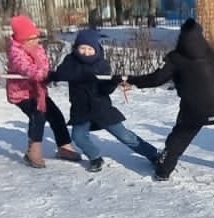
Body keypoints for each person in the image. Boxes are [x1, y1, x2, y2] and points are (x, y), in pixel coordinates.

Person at [121, 19, 214, 181]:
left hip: (194, 110)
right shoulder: (209, 54)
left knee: (178, 139)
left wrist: (132, 80)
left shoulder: (175, 58)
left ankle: (163, 171)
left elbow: (157, 79)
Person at [51, 28, 162, 172]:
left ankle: (153, 154)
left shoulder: (101, 64)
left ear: (96, 49)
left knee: (125, 135)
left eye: (89, 49)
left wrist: (112, 82)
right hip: (81, 110)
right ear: (76, 48)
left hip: (101, 109)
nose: (85, 52)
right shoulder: (70, 61)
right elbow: (61, 73)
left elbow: (105, 90)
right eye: (82, 48)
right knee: (78, 136)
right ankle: (95, 157)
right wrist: (82, 74)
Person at [6, 14, 82, 167]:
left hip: (38, 92)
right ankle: (32, 151)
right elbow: (26, 69)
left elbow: (44, 67)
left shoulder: (37, 49)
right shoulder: (16, 52)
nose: (35, 41)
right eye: (31, 39)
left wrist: (51, 75)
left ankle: (64, 146)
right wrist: (45, 75)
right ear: (22, 40)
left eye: (36, 37)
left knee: (55, 115)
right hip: (21, 94)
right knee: (38, 116)